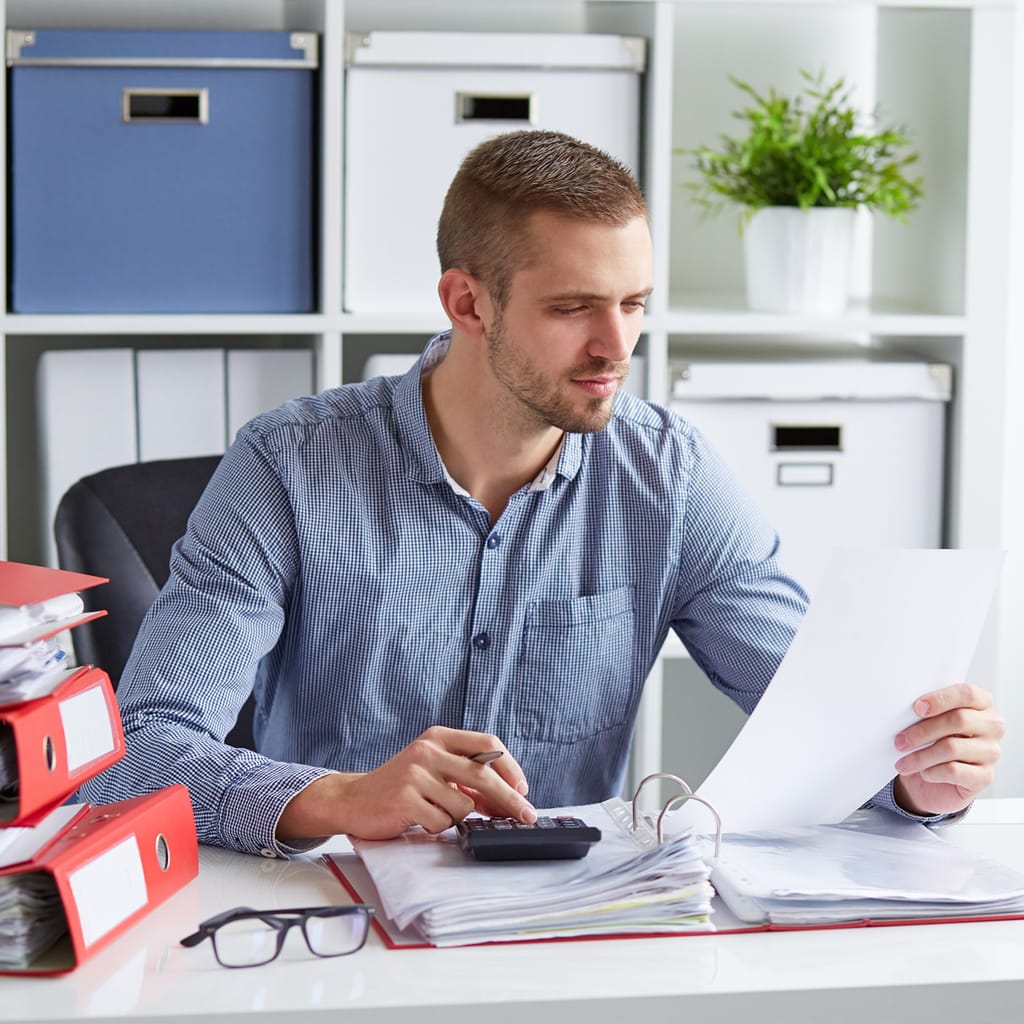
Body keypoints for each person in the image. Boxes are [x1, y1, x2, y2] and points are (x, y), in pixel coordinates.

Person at [81, 130, 1004, 857]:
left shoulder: (669, 477)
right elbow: (137, 754)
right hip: (333, 922)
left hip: (565, 922)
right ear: (467, 302)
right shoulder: (287, 465)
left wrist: (920, 776)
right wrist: (337, 798)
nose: (616, 346)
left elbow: (827, 714)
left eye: (634, 303)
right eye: (573, 309)